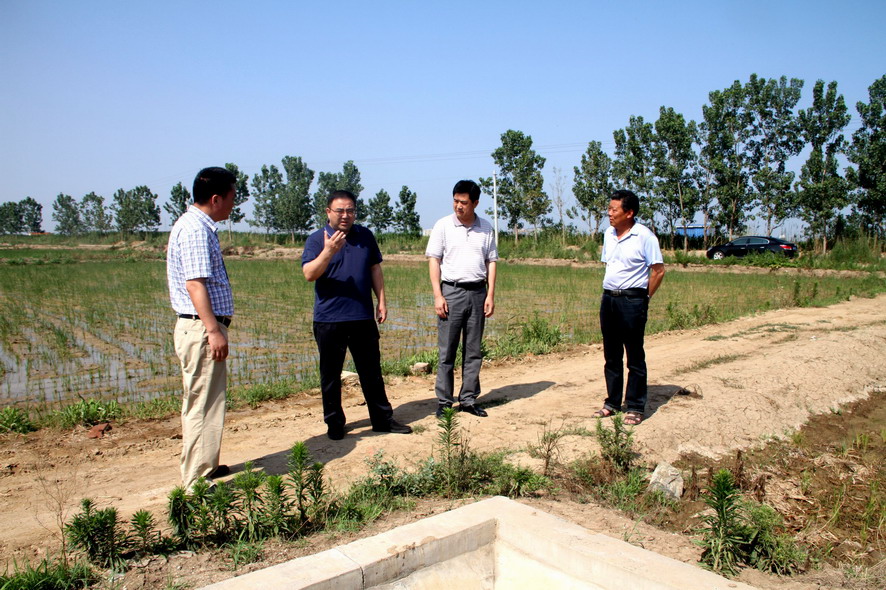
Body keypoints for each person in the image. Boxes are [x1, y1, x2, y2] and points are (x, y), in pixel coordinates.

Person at [302, 190, 412, 440]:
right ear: (328, 212)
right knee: (330, 375)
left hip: (361, 316)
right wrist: (329, 251)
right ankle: (334, 423)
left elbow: (375, 269)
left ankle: (382, 419)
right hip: (329, 319)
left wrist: (381, 301)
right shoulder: (317, 239)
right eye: (340, 211)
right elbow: (309, 274)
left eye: (350, 210)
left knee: (371, 371)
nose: (345, 215)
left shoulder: (365, 235)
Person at [167, 166, 237, 491]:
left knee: (208, 400)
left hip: (199, 327)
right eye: (232, 197)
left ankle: (206, 465)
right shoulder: (195, 229)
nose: (234, 204)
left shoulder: (195, 225)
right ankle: (196, 481)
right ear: (216, 198)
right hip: (201, 328)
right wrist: (213, 330)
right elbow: (195, 284)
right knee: (201, 405)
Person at [425, 180, 498, 418]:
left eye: (464, 202)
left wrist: (490, 294)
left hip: (477, 293)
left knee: (473, 351)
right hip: (451, 292)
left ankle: (468, 399)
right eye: (455, 201)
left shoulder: (486, 228)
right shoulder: (443, 226)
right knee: (447, 351)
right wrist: (438, 295)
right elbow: (434, 260)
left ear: (475, 203)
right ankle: (444, 401)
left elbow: (491, 261)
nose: (458, 206)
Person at [594, 189, 665, 425]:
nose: (609, 213)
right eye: (609, 208)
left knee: (634, 356)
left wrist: (644, 297)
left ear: (629, 213)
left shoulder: (644, 236)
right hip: (609, 299)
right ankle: (612, 403)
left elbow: (658, 271)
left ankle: (635, 406)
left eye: (614, 209)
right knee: (611, 355)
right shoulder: (608, 234)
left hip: (633, 300)